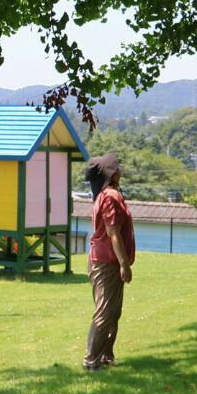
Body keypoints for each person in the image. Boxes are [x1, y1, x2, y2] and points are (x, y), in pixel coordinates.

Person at [83, 152, 134, 371]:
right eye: (116, 167)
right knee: (105, 311)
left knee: (113, 311)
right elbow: (113, 233)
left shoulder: (105, 195)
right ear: (111, 174)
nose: (120, 168)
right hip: (107, 262)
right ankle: (91, 359)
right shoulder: (111, 196)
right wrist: (123, 263)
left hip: (102, 260)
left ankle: (105, 355)